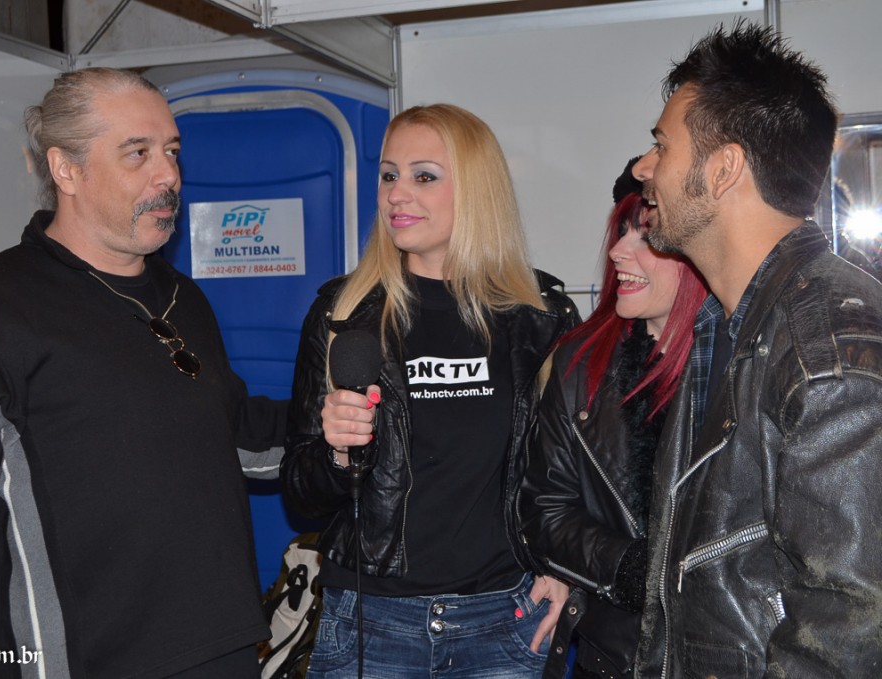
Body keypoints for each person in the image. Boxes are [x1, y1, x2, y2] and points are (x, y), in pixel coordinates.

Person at [0, 68, 286, 678]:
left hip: (223, 648)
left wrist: (341, 418)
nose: (168, 174)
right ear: (66, 169)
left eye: (171, 151)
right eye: (137, 153)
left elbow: (234, 430)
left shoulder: (182, 297)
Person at [281, 103, 580, 678]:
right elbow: (301, 491)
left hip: (504, 622)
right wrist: (338, 453)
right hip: (372, 624)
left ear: (476, 191)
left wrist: (565, 567)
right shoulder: (343, 314)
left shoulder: (541, 319)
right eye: (389, 175)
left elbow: (574, 473)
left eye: (423, 176)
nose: (397, 194)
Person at [631, 21, 882, 677]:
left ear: (723, 169)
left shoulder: (826, 352)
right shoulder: (727, 323)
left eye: (662, 145)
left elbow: (849, 637)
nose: (643, 167)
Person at [519, 158, 707, 679]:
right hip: (613, 656)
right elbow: (543, 508)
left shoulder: (741, 364)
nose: (619, 251)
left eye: (645, 235)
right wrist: (629, 568)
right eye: (622, 233)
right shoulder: (580, 363)